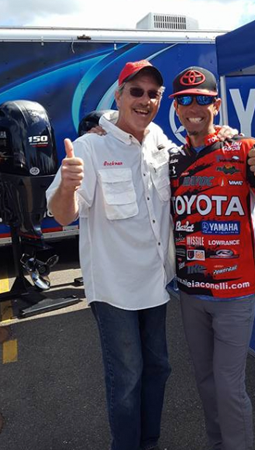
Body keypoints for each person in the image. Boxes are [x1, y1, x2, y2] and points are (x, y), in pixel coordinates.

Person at [46, 60, 175, 450]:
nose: (145, 100)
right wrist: (67, 185)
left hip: (157, 281)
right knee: (128, 376)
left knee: (158, 368)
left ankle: (148, 442)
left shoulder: (160, 140)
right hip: (115, 287)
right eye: (135, 91)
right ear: (118, 95)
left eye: (153, 93)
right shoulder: (89, 146)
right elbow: (63, 214)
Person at [168, 66, 255, 450]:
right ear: (175, 109)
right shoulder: (172, 161)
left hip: (235, 292)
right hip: (190, 291)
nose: (193, 107)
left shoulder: (244, 150)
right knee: (205, 382)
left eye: (202, 100)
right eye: (184, 100)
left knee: (227, 384)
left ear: (216, 105)